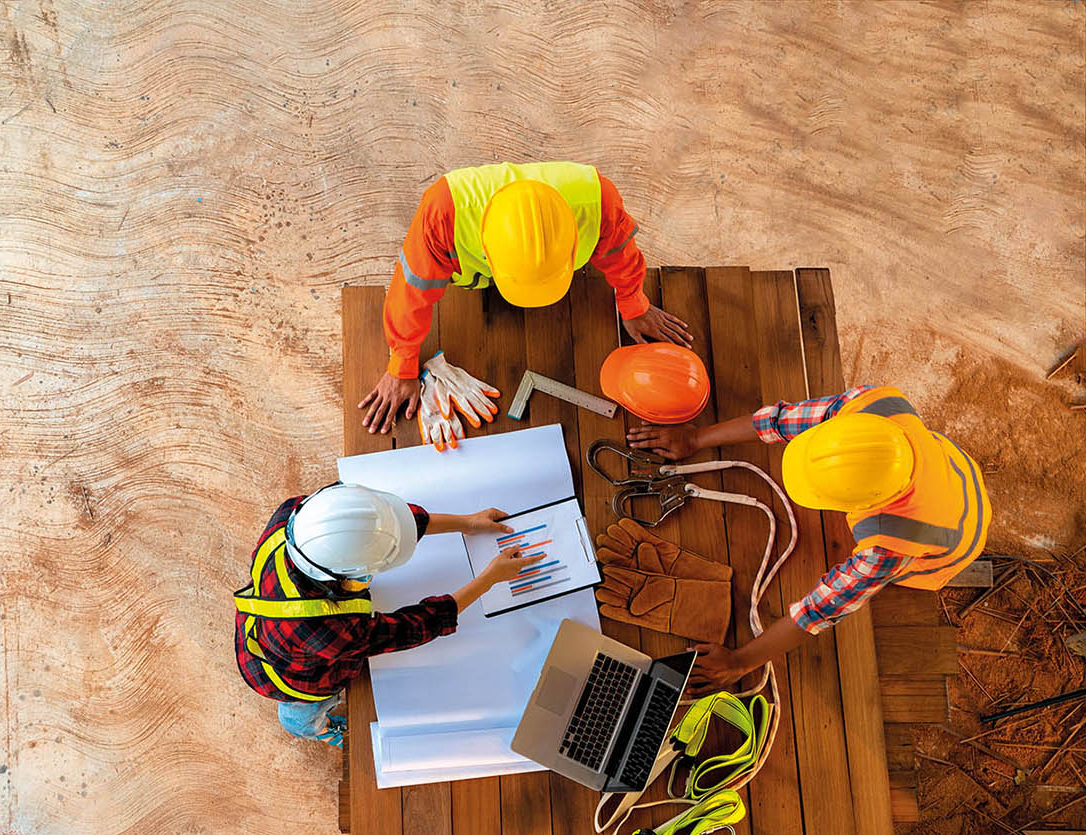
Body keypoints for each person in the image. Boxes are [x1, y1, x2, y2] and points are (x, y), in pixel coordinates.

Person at [626, 385, 991, 691]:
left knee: (896, 577)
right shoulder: (871, 406)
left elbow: (820, 610)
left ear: (862, 506)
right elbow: (782, 420)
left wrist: (740, 662)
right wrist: (694, 437)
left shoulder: (891, 547)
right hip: (958, 473)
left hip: (955, 543)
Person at [360, 161, 694, 434]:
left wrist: (634, 303)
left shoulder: (597, 201)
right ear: (487, 250)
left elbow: (621, 253)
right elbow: (412, 290)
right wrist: (402, 364)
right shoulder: (443, 212)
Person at [234, 484, 544, 745]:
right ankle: (314, 727)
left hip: (270, 625)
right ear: (346, 574)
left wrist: (469, 522)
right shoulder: (331, 631)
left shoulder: (298, 516)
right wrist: (489, 579)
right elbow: (420, 624)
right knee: (297, 717)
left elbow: (387, 522)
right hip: (291, 676)